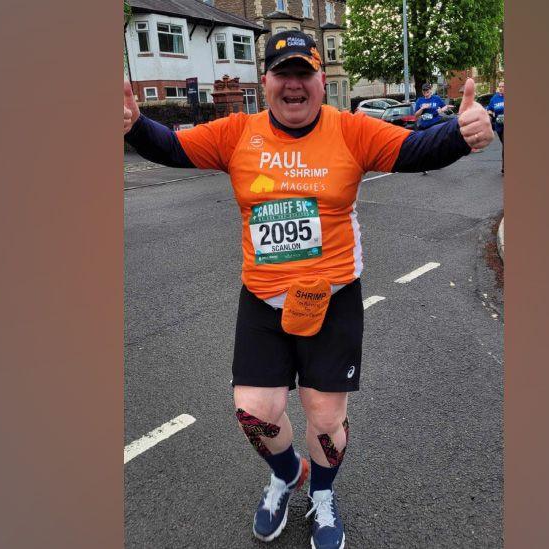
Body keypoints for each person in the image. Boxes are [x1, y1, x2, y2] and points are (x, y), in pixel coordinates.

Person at [123, 30, 492, 549]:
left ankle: (322, 495)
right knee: (255, 412)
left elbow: (414, 149)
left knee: (325, 419)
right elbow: (172, 147)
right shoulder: (236, 132)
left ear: (320, 81)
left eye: (304, 74)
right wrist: (135, 125)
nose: (293, 85)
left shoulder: (351, 130)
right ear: (266, 81)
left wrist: (461, 132)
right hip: (263, 300)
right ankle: (285, 473)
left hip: (333, 297)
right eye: (283, 74)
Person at [487, 81, 505, 174]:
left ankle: (504, 167)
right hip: (499, 126)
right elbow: (490, 109)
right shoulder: (495, 98)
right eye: (500, 86)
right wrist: (490, 115)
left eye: (503, 86)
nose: (501, 88)